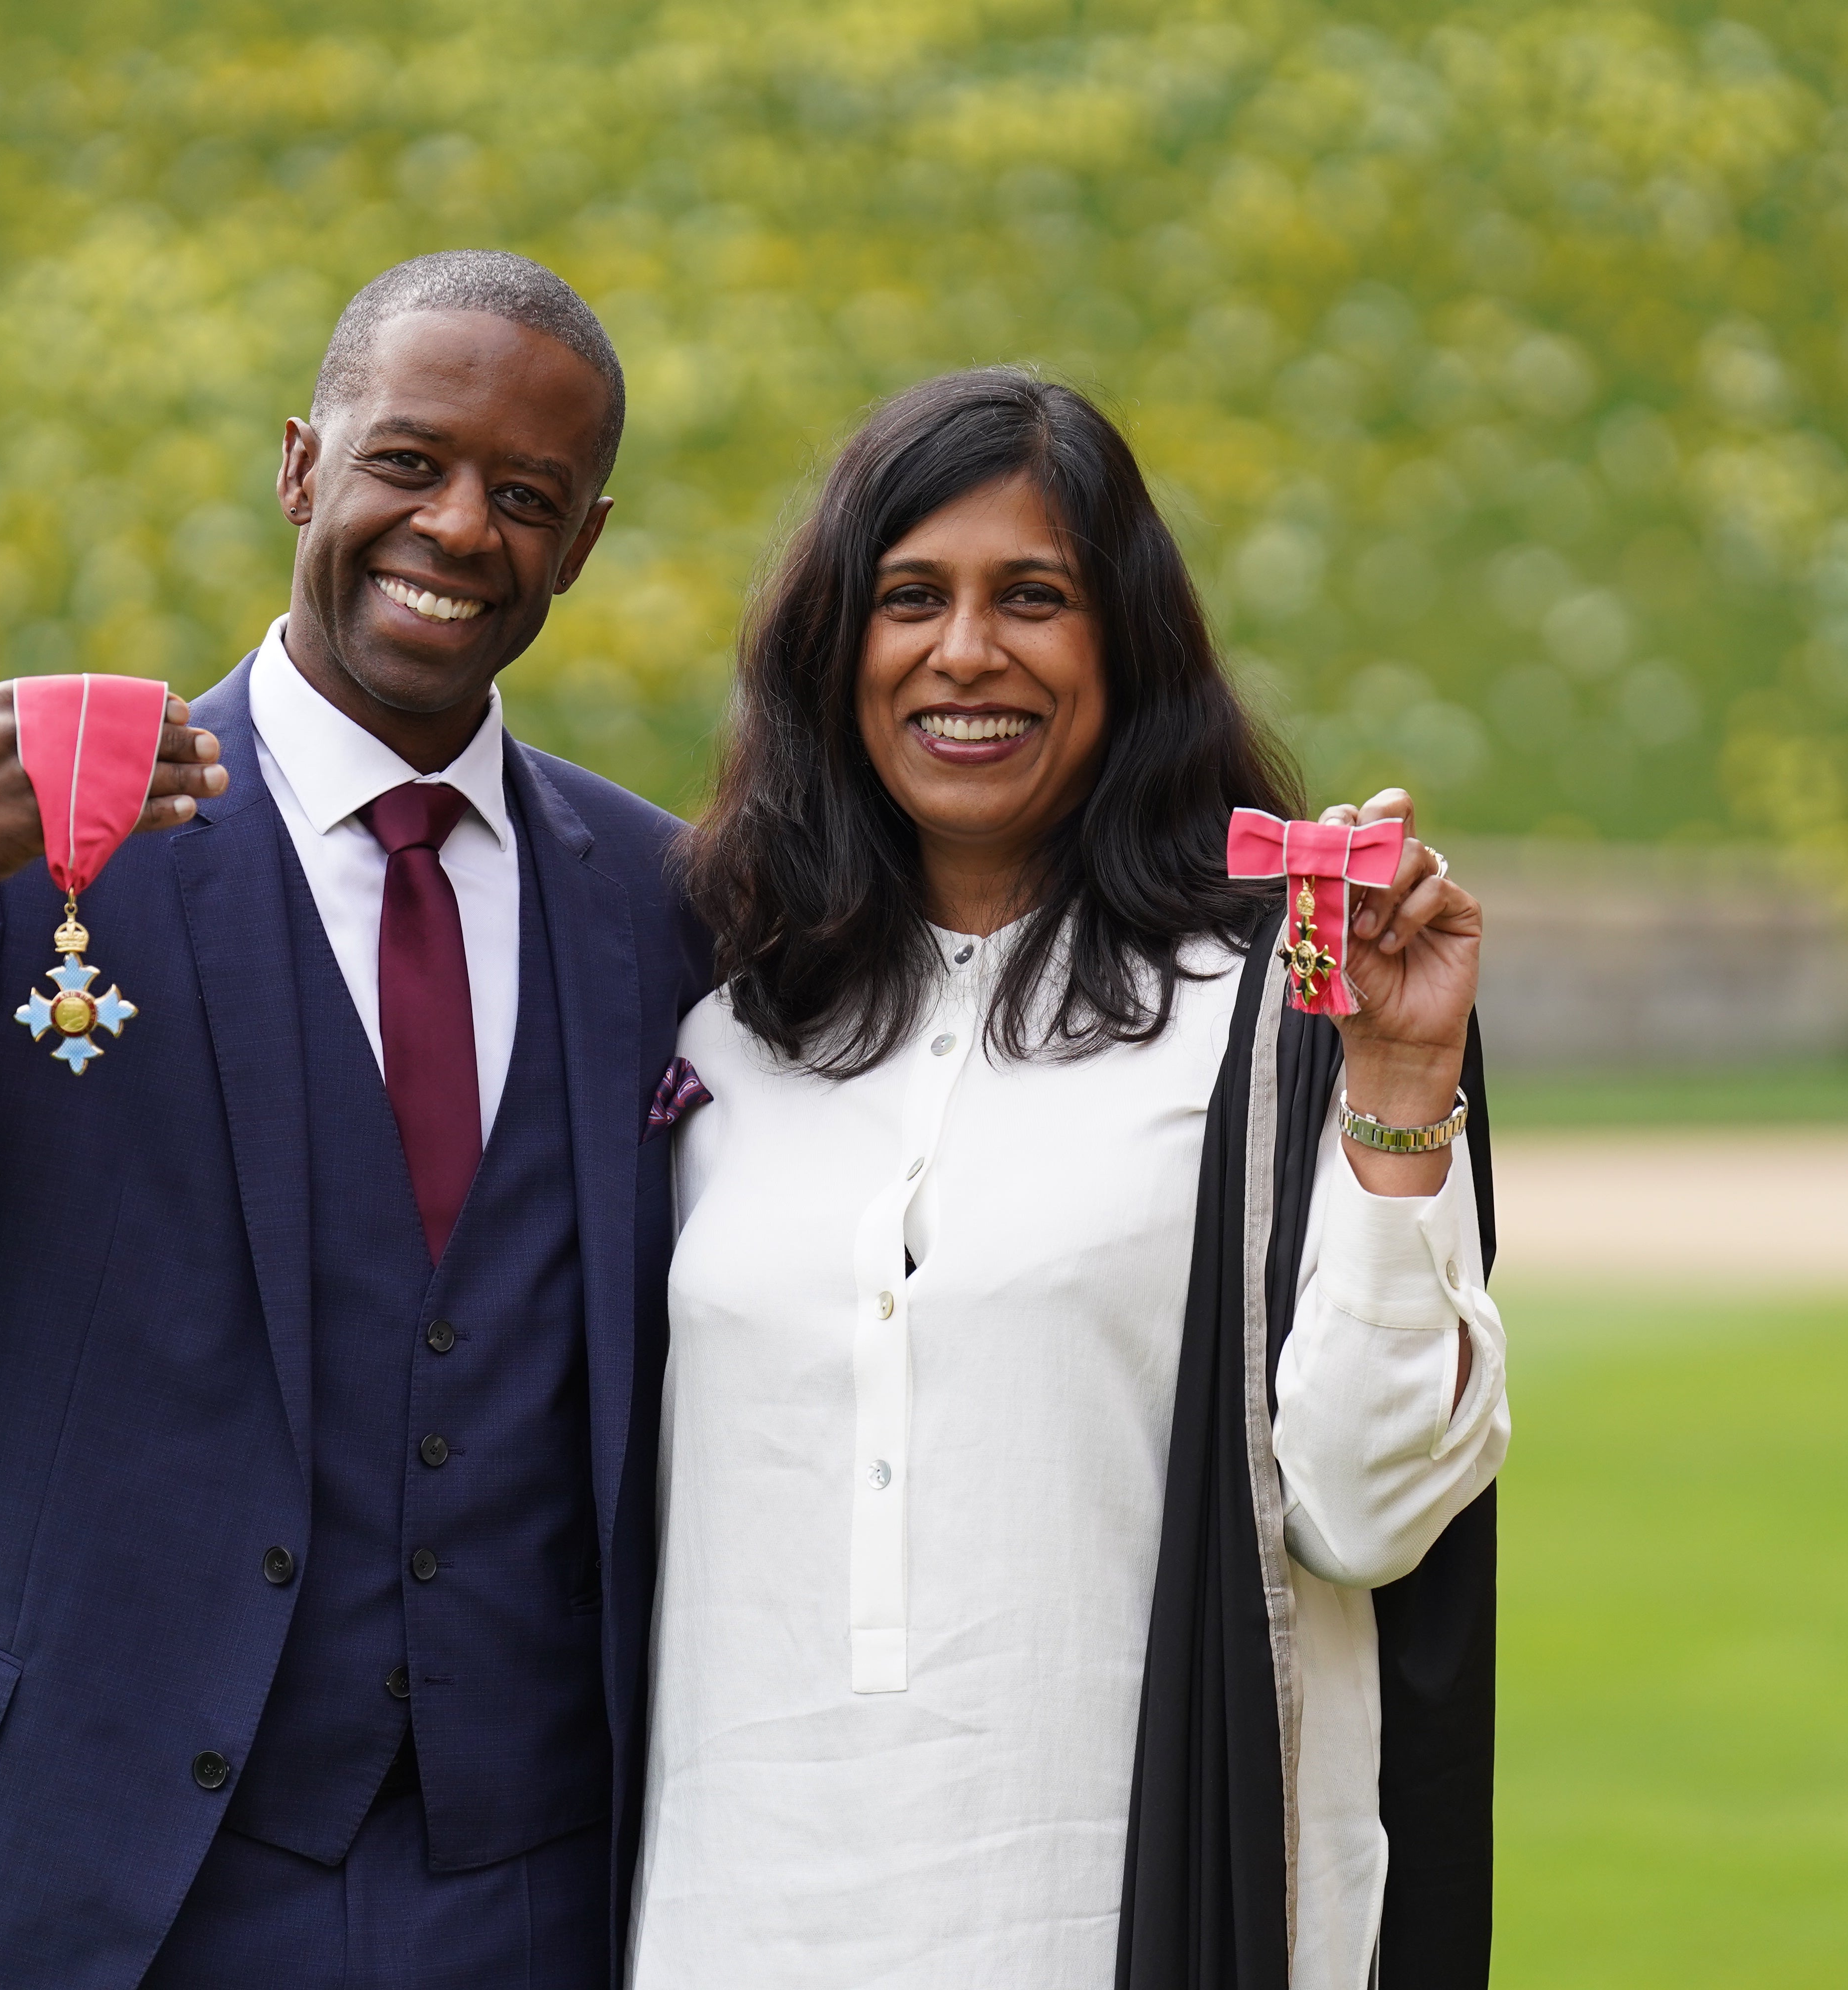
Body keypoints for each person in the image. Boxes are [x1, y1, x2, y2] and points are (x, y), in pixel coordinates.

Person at [0, 252, 707, 1990]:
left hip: (515, 1905)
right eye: (407, 463)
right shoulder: (49, 840)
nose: (457, 528)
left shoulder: (665, 904)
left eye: (527, 497)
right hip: (61, 1874)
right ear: (301, 465)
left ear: (581, 544)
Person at [630, 370, 1510, 1990]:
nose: (968, 653)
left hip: (1140, 1909)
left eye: (1033, 597)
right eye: (912, 600)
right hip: (743, 1911)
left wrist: (1397, 1089)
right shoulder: (729, 1037)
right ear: (840, 652)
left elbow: (1368, 1514)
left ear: (1127, 651)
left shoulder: (1275, 1018)